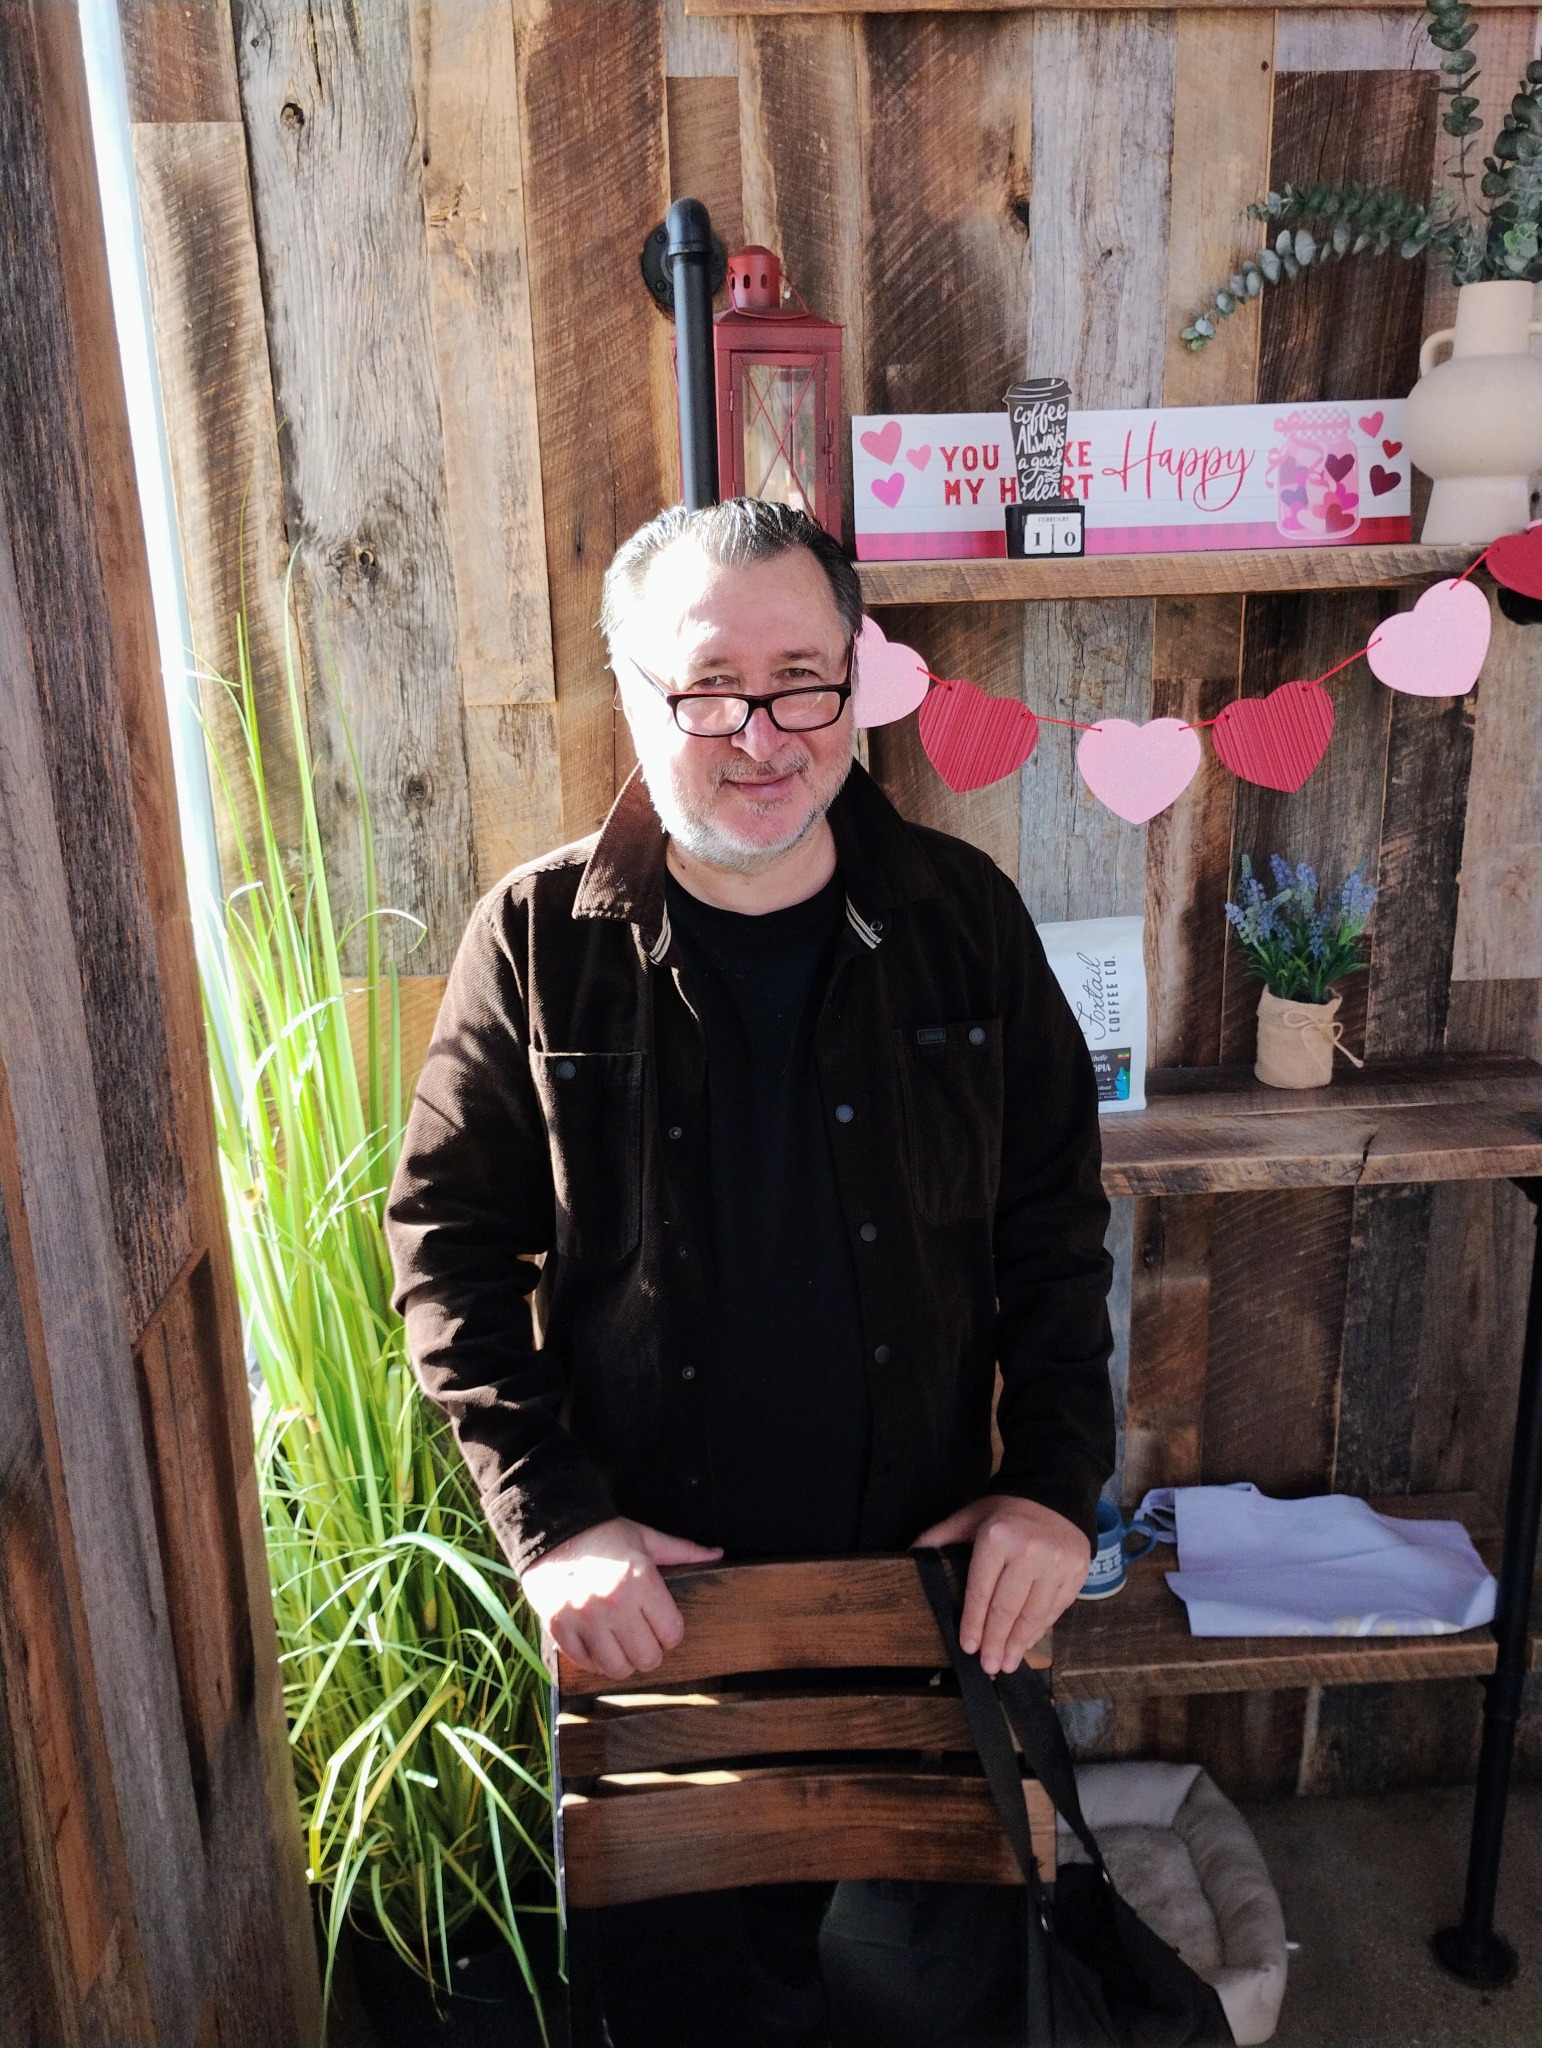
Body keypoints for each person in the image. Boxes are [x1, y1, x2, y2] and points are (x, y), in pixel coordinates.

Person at [385, 497, 1115, 2045]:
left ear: (854, 678)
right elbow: (447, 1254)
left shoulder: (963, 918)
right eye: (709, 690)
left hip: (924, 1599)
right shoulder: (537, 938)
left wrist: (1053, 1489)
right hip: (658, 1616)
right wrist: (552, 1523)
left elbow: (1053, 1231)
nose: (764, 735)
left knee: (940, 2007)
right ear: (631, 690)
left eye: (803, 683)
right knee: (691, 2013)